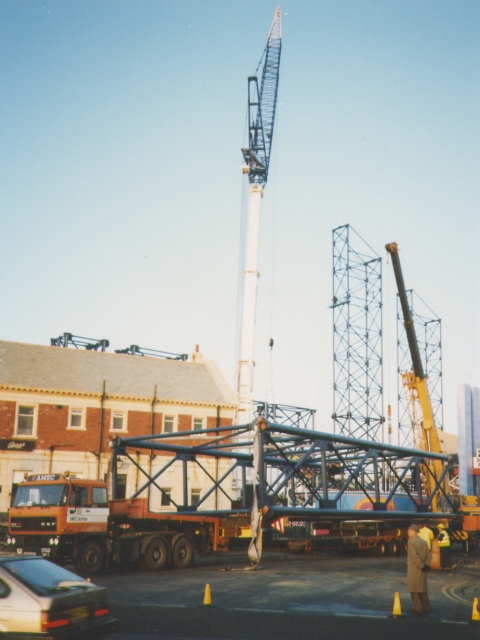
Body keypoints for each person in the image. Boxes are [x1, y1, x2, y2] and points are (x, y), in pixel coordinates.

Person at [407, 523, 432, 614]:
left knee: (414, 589)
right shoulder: (424, 542)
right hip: (423, 569)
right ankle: (427, 607)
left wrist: (421, 565)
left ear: (414, 531)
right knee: (423, 589)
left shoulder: (410, 542)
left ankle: (417, 608)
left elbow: (414, 556)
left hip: (415, 569)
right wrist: (426, 565)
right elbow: (429, 555)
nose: (408, 531)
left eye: (409, 530)